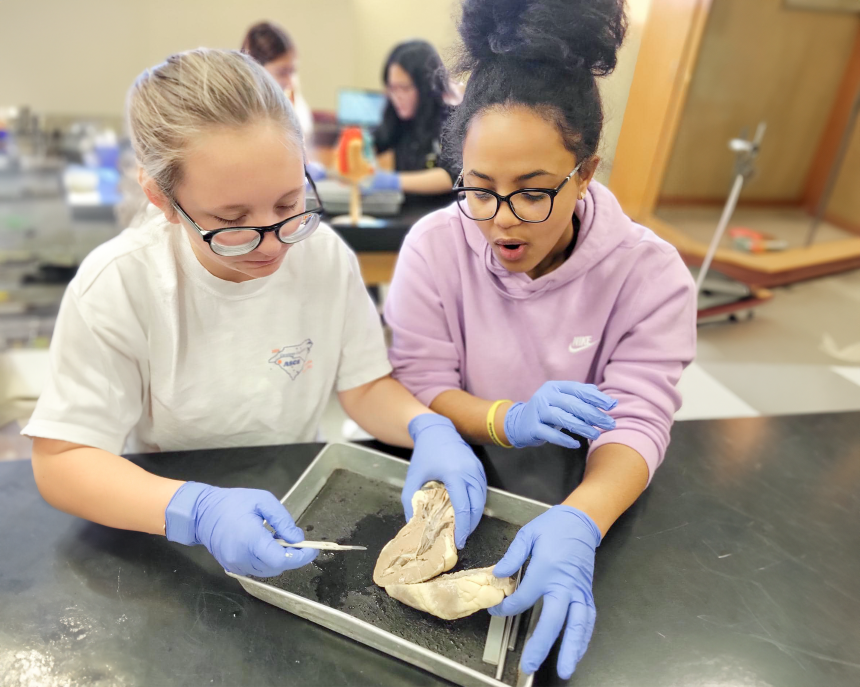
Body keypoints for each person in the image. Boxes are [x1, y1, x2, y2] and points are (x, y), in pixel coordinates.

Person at [24, 49, 486, 580]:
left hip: (297, 493)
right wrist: (196, 511)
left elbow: (362, 386)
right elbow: (62, 462)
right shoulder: (121, 283)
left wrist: (427, 427)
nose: (273, 242)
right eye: (231, 220)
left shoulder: (322, 255)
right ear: (163, 200)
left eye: (289, 204)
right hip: (162, 522)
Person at [384, 0, 697, 679]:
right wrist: (503, 418)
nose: (500, 222)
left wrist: (581, 520)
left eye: (532, 192)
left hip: (582, 489)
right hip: (456, 485)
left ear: (584, 173)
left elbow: (638, 418)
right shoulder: (434, 248)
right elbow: (421, 381)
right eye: (479, 189)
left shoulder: (649, 275)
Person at [366, 40, 461, 196]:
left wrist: (391, 181)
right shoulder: (400, 115)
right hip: (406, 211)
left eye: (404, 88)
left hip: (439, 213)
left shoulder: (451, 118)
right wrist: (361, 145)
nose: (397, 97)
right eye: (392, 88)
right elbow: (378, 138)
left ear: (426, 86)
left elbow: (451, 176)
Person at [241, 21, 314, 137]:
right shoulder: (239, 118)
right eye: (282, 72)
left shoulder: (293, 104)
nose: (291, 83)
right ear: (255, 71)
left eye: (292, 71)